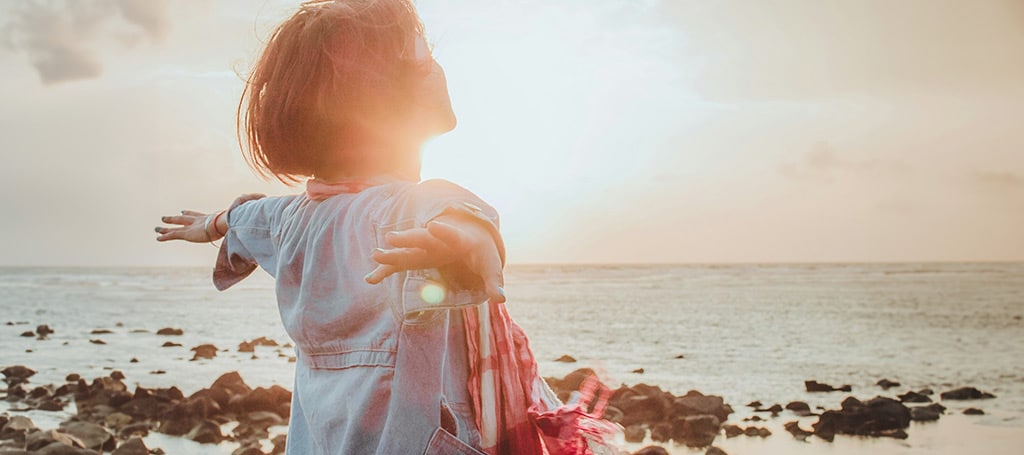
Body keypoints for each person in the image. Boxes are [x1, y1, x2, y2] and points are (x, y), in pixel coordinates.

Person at [156, 1, 616, 454]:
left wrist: (212, 224)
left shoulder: (292, 219)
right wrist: (465, 243)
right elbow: (461, 218)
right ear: (379, 98)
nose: (436, 68)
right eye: (422, 59)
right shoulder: (410, 207)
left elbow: (247, 219)